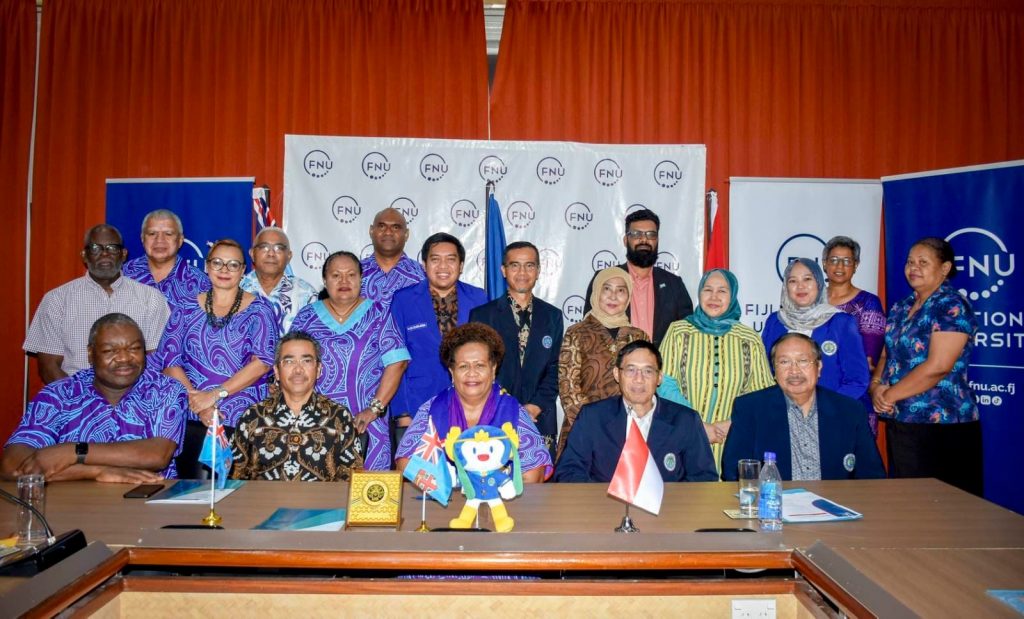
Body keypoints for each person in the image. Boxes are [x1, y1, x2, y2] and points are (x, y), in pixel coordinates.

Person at [2, 313, 186, 482]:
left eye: (134, 348)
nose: (124, 358)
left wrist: (73, 451)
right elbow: (12, 465)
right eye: (109, 351)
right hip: (72, 502)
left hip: (149, 497)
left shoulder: (165, 389)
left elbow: (157, 455)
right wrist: (95, 471)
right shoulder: (60, 394)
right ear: (90, 354)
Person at [158, 239, 278, 477]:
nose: (224, 270)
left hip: (243, 414)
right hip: (190, 410)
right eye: (218, 263)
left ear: (243, 270)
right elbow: (169, 360)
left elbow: (263, 363)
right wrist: (198, 403)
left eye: (233, 264)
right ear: (207, 266)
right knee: (191, 490)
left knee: (240, 489)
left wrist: (215, 395)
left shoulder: (260, 310)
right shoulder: (184, 307)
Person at [871, 237, 981, 495]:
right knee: (909, 502)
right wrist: (875, 386)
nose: (913, 268)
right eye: (910, 262)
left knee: (947, 506)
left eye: (923, 262)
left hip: (943, 423)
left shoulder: (951, 305)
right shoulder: (901, 306)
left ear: (945, 268)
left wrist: (889, 395)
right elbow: (887, 355)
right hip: (902, 420)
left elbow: (938, 366)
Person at [290, 250, 410, 470]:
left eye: (351, 275)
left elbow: (397, 362)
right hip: (313, 422)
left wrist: (374, 409)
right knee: (314, 484)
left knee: (369, 488)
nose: (344, 281)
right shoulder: (307, 316)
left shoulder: (379, 313)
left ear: (361, 279)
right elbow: (290, 364)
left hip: (367, 422)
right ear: (325, 280)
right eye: (336, 275)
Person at [395, 322, 552, 482]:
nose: (472, 373)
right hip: (444, 496)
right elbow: (405, 464)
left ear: (493, 369)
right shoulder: (431, 410)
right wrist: (444, 490)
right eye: (463, 366)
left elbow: (533, 475)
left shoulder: (513, 411)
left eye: (480, 366)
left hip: (502, 497)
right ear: (452, 371)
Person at [722, 333, 885, 481]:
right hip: (775, 500)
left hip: (834, 501)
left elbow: (872, 474)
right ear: (774, 370)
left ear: (819, 367)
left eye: (803, 361)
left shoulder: (849, 410)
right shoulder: (750, 408)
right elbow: (735, 471)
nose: (794, 371)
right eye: (784, 362)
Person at [24, 224, 170, 384]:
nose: (104, 254)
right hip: (74, 395)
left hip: (135, 395)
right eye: (95, 248)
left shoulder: (151, 298)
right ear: (84, 255)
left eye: (112, 248)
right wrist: (80, 398)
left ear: (123, 254)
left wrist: (133, 398)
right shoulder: (57, 300)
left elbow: (157, 363)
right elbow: (49, 367)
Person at [555, 340, 717, 483]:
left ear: (659, 377)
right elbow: (568, 471)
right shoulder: (592, 417)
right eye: (631, 370)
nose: (639, 379)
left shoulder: (686, 420)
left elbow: (704, 477)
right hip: (604, 506)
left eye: (648, 371)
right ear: (617, 374)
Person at [659, 269, 774, 470]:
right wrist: (697, 425)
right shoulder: (678, 331)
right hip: (684, 434)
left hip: (732, 437)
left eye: (722, 291)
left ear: (733, 296)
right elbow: (664, 384)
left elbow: (762, 393)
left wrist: (734, 423)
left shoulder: (749, 339)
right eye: (708, 290)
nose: (714, 297)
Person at [390, 233, 486, 445]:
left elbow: (489, 358)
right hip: (417, 408)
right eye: (435, 259)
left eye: (450, 259)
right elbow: (395, 358)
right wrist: (402, 413)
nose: (443, 266)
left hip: (470, 407)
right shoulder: (404, 300)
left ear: (461, 265)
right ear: (424, 265)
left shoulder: (479, 298)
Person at [470, 241, 563, 460]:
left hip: (539, 419)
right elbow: (477, 369)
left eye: (529, 265)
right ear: (504, 270)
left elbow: (556, 367)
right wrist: (504, 407)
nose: (522, 272)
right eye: (515, 265)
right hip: (492, 418)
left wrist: (535, 406)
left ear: (538, 271)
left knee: (539, 481)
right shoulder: (482, 315)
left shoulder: (552, 316)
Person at [230, 331, 362, 481]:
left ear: (318, 369)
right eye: (289, 361)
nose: (298, 370)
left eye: (306, 361)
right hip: (263, 497)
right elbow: (234, 476)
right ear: (276, 371)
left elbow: (352, 478)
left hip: (323, 497)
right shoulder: (253, 416)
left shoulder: (339, 417)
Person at [556, 266, 647, 461]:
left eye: (621, 290)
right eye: (607, 289)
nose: (613, 296)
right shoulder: (577, 333)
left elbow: (646, 386)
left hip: (630, 431)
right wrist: (595, 429)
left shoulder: (639, 337)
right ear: (597, 291)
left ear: (628, 296)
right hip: (584, 431)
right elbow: (568, 389)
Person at [761, 258, 870, 402]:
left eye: (807, 279)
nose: (800, 286)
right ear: (786, 287)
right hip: (781, 409)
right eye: (792, 281)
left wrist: (828, 408)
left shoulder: (841, 322)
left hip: (831, 410)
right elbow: (765, 372)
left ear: (819, 283)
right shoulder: (775, 321)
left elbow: (857, 380)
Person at [583, 209, 693, 346]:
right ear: (625, 240)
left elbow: (688, 333)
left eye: (651, 235)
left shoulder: (674, 284)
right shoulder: (605, 279)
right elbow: (589, 330)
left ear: (657, 240)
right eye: (636, 234)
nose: (644, 239)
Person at [823, 236, 886, 436]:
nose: (839, 266)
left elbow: (868, 361)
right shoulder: (810, 301)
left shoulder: (868, 303)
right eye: (834, 260)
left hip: (853, 398)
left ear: (856, 265)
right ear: (824, 264)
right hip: (810, 396)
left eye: (847, 260)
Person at [122, 209, 210, 309]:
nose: (159, 240)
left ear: (180, 240)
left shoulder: (201, 284)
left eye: (168, 234)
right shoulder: (123, 275)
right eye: (152, 233)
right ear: (142, 238)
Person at [240, 226, 319, 335]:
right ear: (252, 253)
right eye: (264, 247)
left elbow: (314, 338)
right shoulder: (236, 287)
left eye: (279, 248)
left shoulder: (306, 293)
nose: (271, 254)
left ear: (289, 256)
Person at [360, 208, 425, 311]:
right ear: (371, 231)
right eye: (382, 226)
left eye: (396, 227)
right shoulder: (353, 274)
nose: (388, 232)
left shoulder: (423, 277)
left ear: (406, 234)